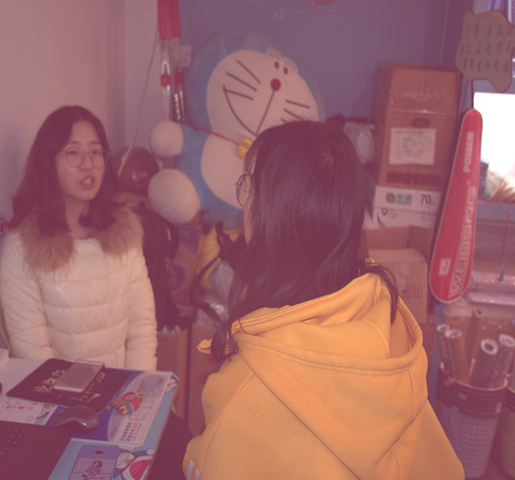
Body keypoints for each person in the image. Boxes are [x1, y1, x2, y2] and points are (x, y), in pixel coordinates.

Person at [182, 121, 464, 479]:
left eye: (249, 185)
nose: (244, 199)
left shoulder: (246, 388)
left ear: (273, 215)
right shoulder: (386, 316)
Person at [0, 106, 157, 370]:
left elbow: (142, 328)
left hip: (124, 389)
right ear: (47, 163)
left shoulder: (122, 232)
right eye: (73, 153)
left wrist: (136, 387)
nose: (88, 164)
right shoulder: (24, 247)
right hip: (59, 393)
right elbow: (33, 354)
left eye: (96, 152)